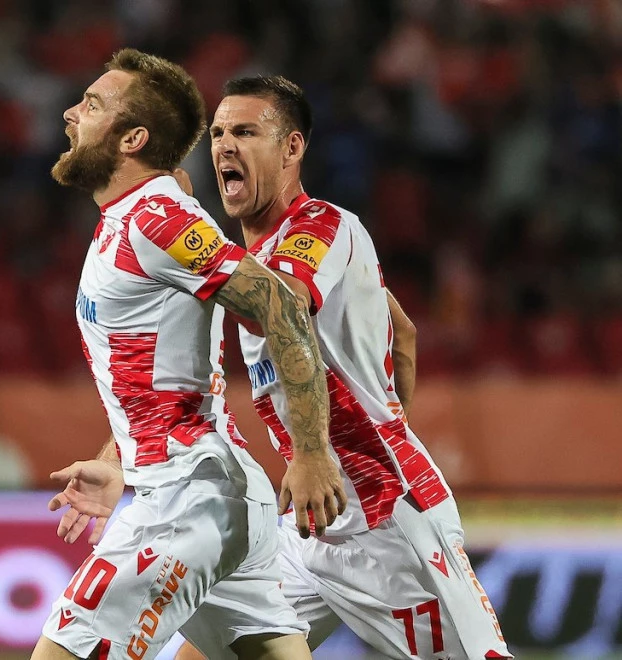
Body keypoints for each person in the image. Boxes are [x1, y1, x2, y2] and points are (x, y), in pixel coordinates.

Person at [169, 76, 511, 659]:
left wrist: (178, 234)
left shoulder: (321, 226)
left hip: (386, 521)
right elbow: (404, 335)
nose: (224, 144)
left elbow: (279, 307)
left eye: (245, 132)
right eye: (218, 133)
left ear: (292, 147)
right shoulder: (257, 255)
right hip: (312, 521)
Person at [33, 50, 347, 660]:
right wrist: (118, 461)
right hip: (209, 493)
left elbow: (280, 305)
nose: (70, 113)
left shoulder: (155, 219)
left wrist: (312, 452)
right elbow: (164, 372)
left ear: (133, 139)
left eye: (91, 105)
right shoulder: (135, 213)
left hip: (188, 499)